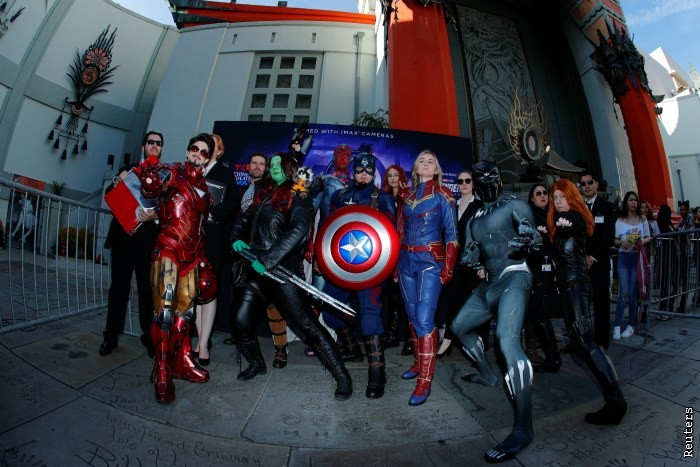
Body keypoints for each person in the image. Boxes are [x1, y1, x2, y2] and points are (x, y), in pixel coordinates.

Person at [229, 152, 353, 401]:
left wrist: (269, 259)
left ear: (288, 168)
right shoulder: (263, 194)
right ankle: (256, 363)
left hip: (282, 273)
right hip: (254, 270)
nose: (273, 168)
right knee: (240, 321)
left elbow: (298, 231)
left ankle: (342, 377)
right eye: (271, 164)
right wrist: (235, 239)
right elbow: (243, 220)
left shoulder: (298, 194)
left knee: (308, 326)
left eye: (278, 164)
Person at [451, 161, 540, 463]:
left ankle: (523, 428)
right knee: (460, 326)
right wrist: (470, 258)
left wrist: (527, 238)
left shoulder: (514, 205)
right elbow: (471, 251)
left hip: (515, 276)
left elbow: (533, 236)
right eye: (481, 178)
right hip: (489, 283)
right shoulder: (475, 218)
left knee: (507, 340)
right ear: (475, 184)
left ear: (500, 180)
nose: (488, 182)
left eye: (493, 177)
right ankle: (488, 375)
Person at [136, 133, 218, 403]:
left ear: (208, 158)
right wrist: (149, 183)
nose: (197, 154)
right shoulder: (171, 172)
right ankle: (162, 369)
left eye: (204, 152)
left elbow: (200, 228)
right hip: (168, 249)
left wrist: (202, 259)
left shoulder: (205, 187)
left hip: (192, 257)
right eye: (194, 148)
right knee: (164, 313)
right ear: (187, 150)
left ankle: (182, 361)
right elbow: (152, 190)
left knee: (185, 315)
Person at [547, 179, 627, 425]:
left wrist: (564, 221)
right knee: (580, 343)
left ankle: (616, 402)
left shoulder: (576, 217)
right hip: (570, 289)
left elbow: (572, 222)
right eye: (555, 198)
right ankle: (615, 400)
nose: (558, 202)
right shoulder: (560, 222)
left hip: (577, 288)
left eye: (562, 196)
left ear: (572, 197)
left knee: (586, 343)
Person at [319, 153, 396, 399]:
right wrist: (321, 258)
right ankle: (352, 349)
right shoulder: (339, 196)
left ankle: (377, 373)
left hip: (372, 270)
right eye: (360, 170)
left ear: (374, 173)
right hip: (341, 267)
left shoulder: (383, 199)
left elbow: (391, 235)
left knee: (370, 317)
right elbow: (327, 228)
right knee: (330, 309)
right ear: (353, 171)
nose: (364, 174)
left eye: (369, 170)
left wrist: (387, 268)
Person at [397, 150, 458, 406]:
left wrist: (449, 267)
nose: (426, 163)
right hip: (405, 261)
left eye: (431, 161)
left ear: (437, 169)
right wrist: (394, 265)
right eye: (421, 160)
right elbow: (400, 231)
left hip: (430, 262)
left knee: (423, 319)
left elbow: (452, 234)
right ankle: (417, 362)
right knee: (412, 317)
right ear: (415, 168)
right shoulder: (407, 196)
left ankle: (424, 380)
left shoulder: (444, 194)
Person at [223, 153, 290, 370]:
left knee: (273, 304)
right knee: (240, 297)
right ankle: (243, 339)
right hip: (242, 253)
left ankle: (281, 349)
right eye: (255, 163)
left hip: (266, 254)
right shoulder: (243, 190)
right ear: (248, 166)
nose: (258, 167)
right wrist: (235, 240)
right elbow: (240, 219)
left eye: (263, 164)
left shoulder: (271, 189)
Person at [99, 131, 163, 357]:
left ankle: (149, 338)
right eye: (150, 142)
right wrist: (118, 182)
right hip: (122, 240)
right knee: (118, 289)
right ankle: (111, 336)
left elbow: (168, 207)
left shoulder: (165, 175)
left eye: (158, 143)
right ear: (143, 146)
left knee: (147, 292)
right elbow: (110, 195)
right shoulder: (128, 170)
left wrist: (156, 213)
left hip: (147, 243)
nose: (154, 145)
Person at [193, 134, 241, 366]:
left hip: (213, 237)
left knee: (208, 289)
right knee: (192, 289)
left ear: (219, 152)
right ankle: (199, 338)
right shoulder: (192, 170)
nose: (208, 148)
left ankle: (203, 344)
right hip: (190, 237)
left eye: (213, 145)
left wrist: (211, 213)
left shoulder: (224, 173)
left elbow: (233, 203)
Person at [436, 169, 483, 358]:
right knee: (454, 301)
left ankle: (478, 344)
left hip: (473, 263)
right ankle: (448, 338)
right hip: (454, 262)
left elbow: (484, 237)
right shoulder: (452, 206)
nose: (464, 184)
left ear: (473, 184)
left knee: (477, 306)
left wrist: (483, 265)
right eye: (460, 181)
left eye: (467, 180)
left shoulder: (480, 206)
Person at [525, 182, 561, 373]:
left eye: (544, 193)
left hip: (550, 269)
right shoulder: (530, 215)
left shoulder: (552, 214)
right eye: (537, 193)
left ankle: (548, 351)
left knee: (542, 310)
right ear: (532, 198)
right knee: (535, 309)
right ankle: (533, 348)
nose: (542, 196)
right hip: (536, 268)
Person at [579, 170, 616, 349]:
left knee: (601, 305)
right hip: (580, 264)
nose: (586, 186)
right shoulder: (576, 207)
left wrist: (592, 257)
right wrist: (583, 257)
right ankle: (581, 340)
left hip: (599, 263)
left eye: (590, 182)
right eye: (583, 184)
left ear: (596, 184)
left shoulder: (607, 207)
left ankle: (601, 342)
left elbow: (608, 236)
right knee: (581, 305)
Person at [612, 191, 650, 340]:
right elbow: (615, 240)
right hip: (623, 257)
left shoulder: (643, 219)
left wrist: (642, 241)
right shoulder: (619, 220)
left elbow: (648, 237)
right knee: (623, 293)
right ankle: (616, 325)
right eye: (631, 200)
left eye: (635, 200)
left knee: (633, 294)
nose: (634, 202)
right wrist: (622, 242)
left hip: (636, 258)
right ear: (626, 203)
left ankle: (630, 325)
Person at [380, 164, 410, 351]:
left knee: (408, 296)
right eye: (389, 175)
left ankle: (410, 338)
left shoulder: (409, 198)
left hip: (406, 251)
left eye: (396, 175)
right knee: (393, 296)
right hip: (388, 252)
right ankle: (392, 335)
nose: (392, 178)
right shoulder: (383, 199)